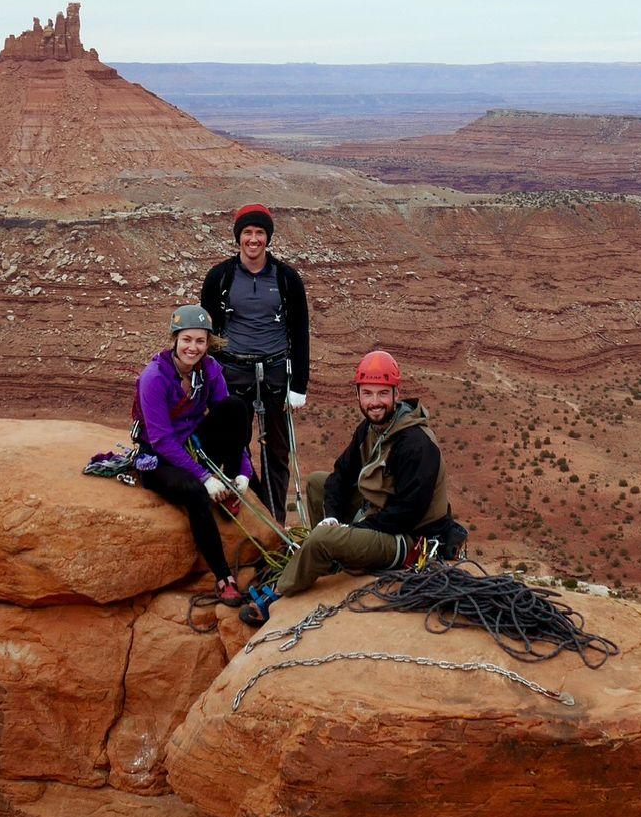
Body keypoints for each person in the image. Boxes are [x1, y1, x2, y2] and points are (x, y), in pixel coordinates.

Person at [240, 349, 458, 623]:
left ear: (395, 394)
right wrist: (332, 517)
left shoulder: (416, 443)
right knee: (317, 483)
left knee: (322, 539)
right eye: (368, 393)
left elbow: (408, 514)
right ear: (358, 395)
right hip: (379, 516)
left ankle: (278, 592)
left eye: (382, 393)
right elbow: (339, 476)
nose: (375, 402)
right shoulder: (369, 430)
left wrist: (352, 530)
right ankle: (330, 557)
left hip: (409, 540)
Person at [132, 304, 256, 604]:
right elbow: (161, 440)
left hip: (194, 443)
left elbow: (228, 419)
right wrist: (203, 477)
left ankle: (230, 488)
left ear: (208, 343)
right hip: (158, 456)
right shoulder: (155, 378)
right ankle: (224, 577)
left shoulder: (209, 369)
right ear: (174, 339)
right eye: (187, 339)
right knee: (194, 493)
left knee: (237, 407)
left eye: (200, 341)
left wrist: (243, 472)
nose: (193, 347)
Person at [199, 204, 311, 518]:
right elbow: (206, 333)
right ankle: (248, 508)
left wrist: (299, 385)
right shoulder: (219, 277)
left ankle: (274, 519)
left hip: (276, 374)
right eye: (247, 232)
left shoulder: (287, 278)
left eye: (259, 232)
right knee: (236, 445)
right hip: (233, 373)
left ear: (267, 238)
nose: (253, 239)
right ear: (239, 238)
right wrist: (208, 377)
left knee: (276, 452)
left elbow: (300, 332)